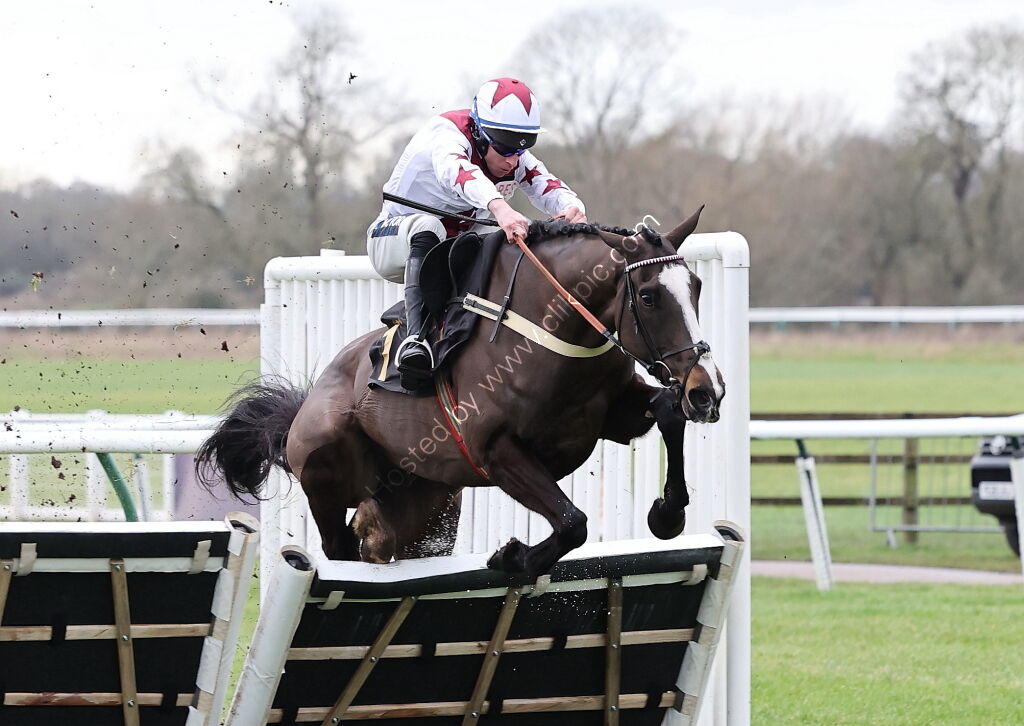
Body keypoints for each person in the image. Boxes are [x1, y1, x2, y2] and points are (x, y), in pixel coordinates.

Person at [367, 77, 587, 391]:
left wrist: (574, 207)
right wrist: (500, 207)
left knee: (500, 238)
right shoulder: (446, 134)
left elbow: (546, 184)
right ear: (480, 134)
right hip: (391, 240)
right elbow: (457, 172)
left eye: (522, 147)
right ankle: (415, 342)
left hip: (451, 250)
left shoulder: (512, 153)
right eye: (506, 147)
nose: (513, 158)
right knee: (432, 227)